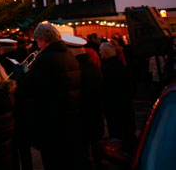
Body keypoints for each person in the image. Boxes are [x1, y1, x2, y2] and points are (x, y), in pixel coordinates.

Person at [16, 22, 81, 170]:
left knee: (53, 162)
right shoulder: (70, 56)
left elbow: (26, 89)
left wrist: (21, 75)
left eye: (38, 42)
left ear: (44, 40)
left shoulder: (45, 60)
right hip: (69, 119)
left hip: (51, 123)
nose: (38, 46)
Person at [63, 35, 104, 170]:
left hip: (82, 119)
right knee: (95, 153)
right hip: (95, 116)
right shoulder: (92, 66)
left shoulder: (76, 69)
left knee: (84, 157)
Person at [100, 42, 136, 152]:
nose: (100, 54)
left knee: (116, 132)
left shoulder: (105, 68)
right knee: (127, 130)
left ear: (106, 53)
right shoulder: (121, 65)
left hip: (113, 105)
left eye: (101, 52)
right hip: (126, 103)